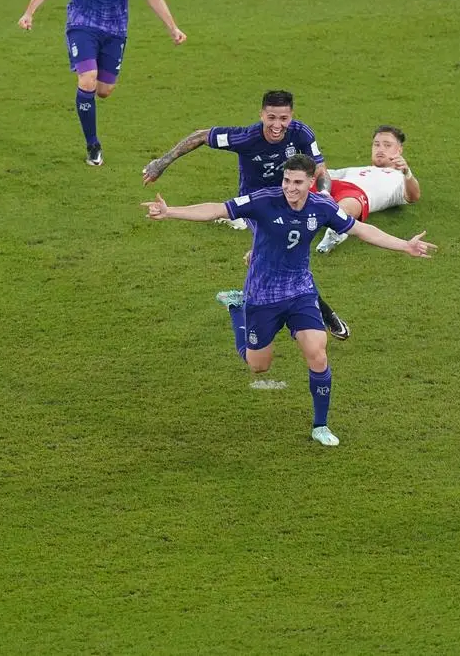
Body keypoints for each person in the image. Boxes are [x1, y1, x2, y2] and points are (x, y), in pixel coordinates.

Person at [143, 155, 435, 446]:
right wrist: (170, 212)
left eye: (297, 182)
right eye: (286, 181)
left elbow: (361, 230)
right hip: (261, 296)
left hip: (300, 292)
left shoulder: (323, 207)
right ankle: (236, 306)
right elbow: (217, 209)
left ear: (311, 182)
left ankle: (320, 425)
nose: (290, 187)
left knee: (318, 353)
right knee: (259, 366)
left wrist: (404, 245)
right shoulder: (264, 200)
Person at [141, 90, 353, 340]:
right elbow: (201, 136)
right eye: (271, 117)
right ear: (262, 114)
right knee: (286, 258)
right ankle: (322, 312)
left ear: (291, 116)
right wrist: (161, 163)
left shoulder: (301, 133)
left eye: (283, 118)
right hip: (258, 205)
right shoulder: (245, 138)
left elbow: (320, 170)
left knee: (283, 258)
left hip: (292, 197)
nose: (277, 125)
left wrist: (325, 195)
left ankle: (259, 270)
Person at [18, 0, 187, 166]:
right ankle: (92, 145)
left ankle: (90, 105)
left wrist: (172, 27)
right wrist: (29, 12)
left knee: (104, 90)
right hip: (82, 23)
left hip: (115, 28)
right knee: (87, 80)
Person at [314, 125, 422, 253]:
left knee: (349, 204)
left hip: (355, 194)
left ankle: (335, 232)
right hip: (331, 186)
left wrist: (407, 172)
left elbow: (414, 196)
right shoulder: (355, 170)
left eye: (387, 145)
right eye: (376, 145)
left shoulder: (399, 177)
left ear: (399, 150)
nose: (380, 149)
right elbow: (324, 174)